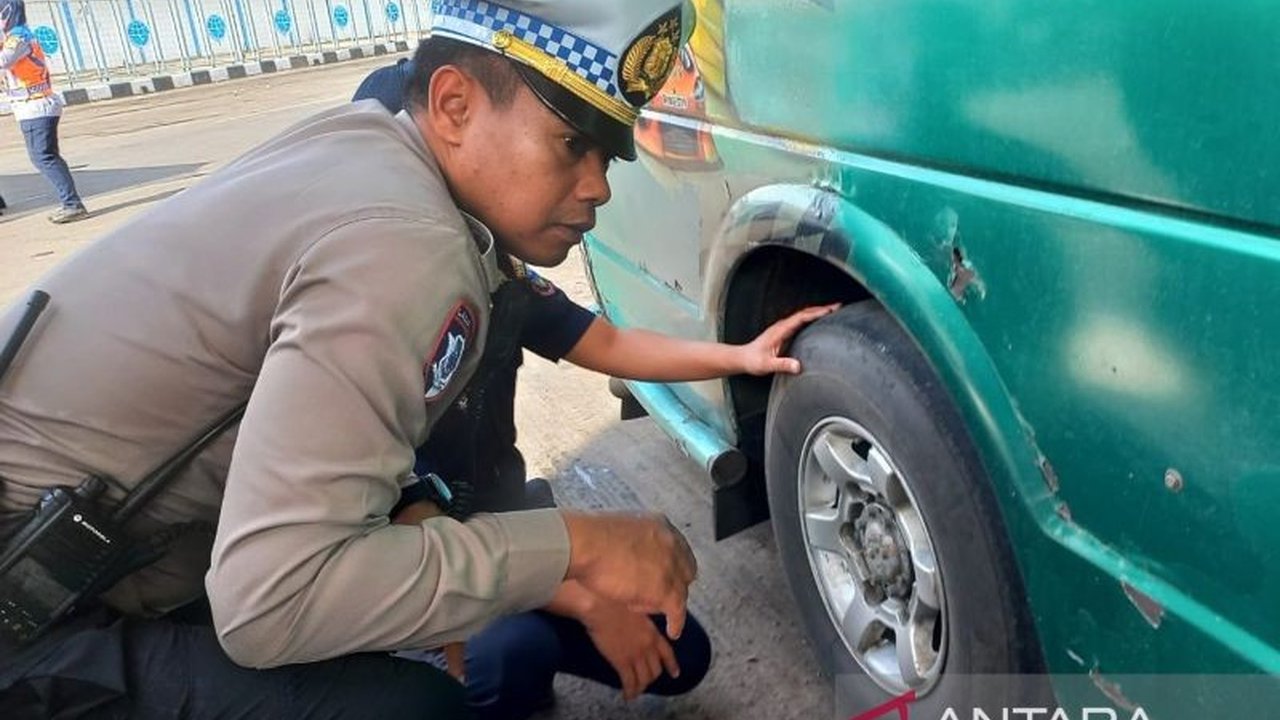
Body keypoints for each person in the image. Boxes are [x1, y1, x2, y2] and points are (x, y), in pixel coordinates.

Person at [0, 1, 706, 717]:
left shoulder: (363, 151)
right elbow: (271, 602)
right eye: (570, 142)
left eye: (605, 156)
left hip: (113, 559)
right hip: (29, 609)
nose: (598, 186)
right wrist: (575, 545)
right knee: (413, 709)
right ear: (454, 105)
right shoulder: (409, 243)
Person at [355, 50, 837, 720]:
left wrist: (740, 355)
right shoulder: (360, 329)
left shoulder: (495, 279)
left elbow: (611, 343)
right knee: (505, 655)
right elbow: (417, 530)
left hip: (512, 533)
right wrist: (588, 604)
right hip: (431, 568)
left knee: (680, 653)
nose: (597, 188)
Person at [0, 0, 87, 224]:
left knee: (44, 157)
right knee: (45, 156)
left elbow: (4, 61)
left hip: (36, 106)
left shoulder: (18, 37)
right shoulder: (14, 37)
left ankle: (72, 204)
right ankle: (71, 203)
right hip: (33, 105)